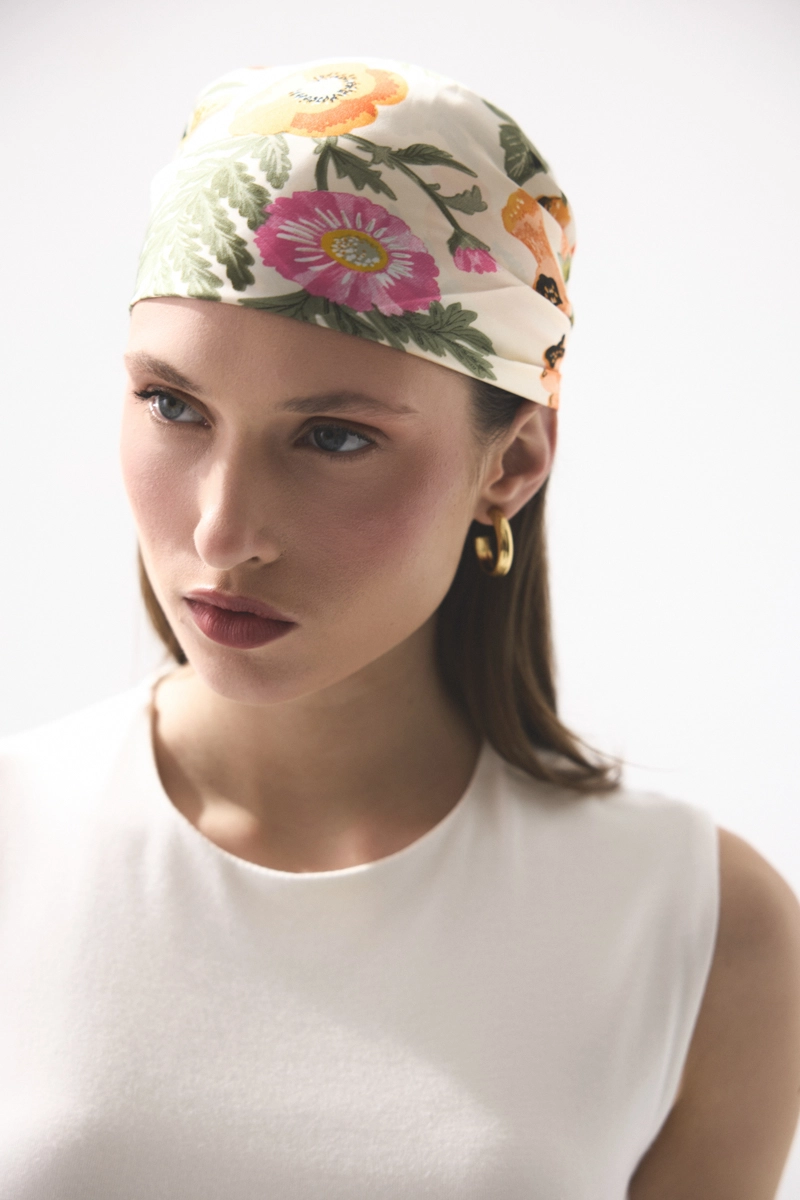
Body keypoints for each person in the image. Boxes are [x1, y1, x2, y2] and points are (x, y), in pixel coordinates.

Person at [1, 56, 799, 1200]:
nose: (223, 533)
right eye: (172, 405)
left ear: (509, 464)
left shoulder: (697, 925)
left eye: (332, 437)